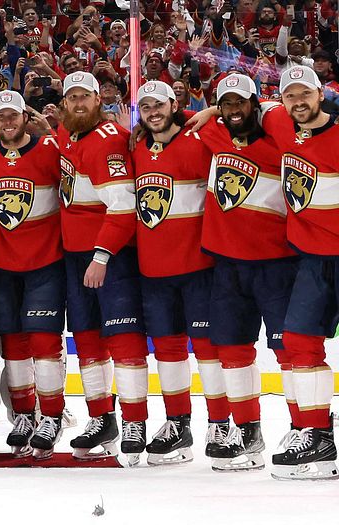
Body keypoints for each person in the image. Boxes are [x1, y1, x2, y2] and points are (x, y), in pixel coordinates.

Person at [189, 74, 294, 472]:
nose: (233, 111)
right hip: (227, 265)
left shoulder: (281, 142)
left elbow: (287, 112)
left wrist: (217, 107)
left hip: (277, 263)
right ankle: (247, 431)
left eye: (240, 103)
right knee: (232, 350)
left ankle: (308, 428)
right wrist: (212, 109)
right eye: (226, 103)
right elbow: (167, 118)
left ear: (255, 104)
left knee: (289, 351)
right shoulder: (216, 136)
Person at [56, 72, 151, 463]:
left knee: (124, 339)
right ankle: (101, 418)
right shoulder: (69, 132)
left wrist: (101, 255)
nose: (78, 103)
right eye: (72, 97)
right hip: (76, 255)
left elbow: (123, 205)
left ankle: (134, 421)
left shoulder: (108, 141)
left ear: (99, 99)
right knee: (88, 340)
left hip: (108, 256)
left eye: (85, 96)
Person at [0, 91, 67, 459]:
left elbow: (79, 168)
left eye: (14, 115)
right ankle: (25, 415)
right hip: (1, 265)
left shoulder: (48, 149)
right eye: (1, 116)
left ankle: (52, 416)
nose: (8, 122)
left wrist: (55, 134)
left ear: (25, 117)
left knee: (44, 343)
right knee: (13, 346)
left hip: (46, 261)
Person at [131, 81, 224, 466]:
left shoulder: (201, 136)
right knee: (167, 351)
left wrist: (214, 110)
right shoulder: (135, 145)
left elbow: (260, 117)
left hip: (198, 265)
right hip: (153, 268)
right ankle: (177, 423)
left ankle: (221, 422)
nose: (153, 112)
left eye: (159, 104)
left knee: (207, 348)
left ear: (175, 104)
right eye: (145, 106)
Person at [259, 66, 339, 479]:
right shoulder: (280, 122)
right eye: (290, 96)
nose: (298, 102)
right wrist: (205, 111)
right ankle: (318, 435)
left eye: (304, 93)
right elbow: (260, 109)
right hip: (312, 258)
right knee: (298, 341)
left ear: (321, 93)